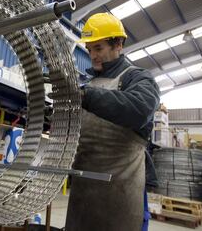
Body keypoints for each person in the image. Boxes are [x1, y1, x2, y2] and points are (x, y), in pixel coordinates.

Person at [65, 13, 160, 231]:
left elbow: (139, 110)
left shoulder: (138, 78)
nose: (92, 56)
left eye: (98, 48)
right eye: (89, 50)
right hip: (82, 192)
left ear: (118, 44)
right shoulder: (89, 83)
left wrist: (85, 97)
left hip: (121, 192)